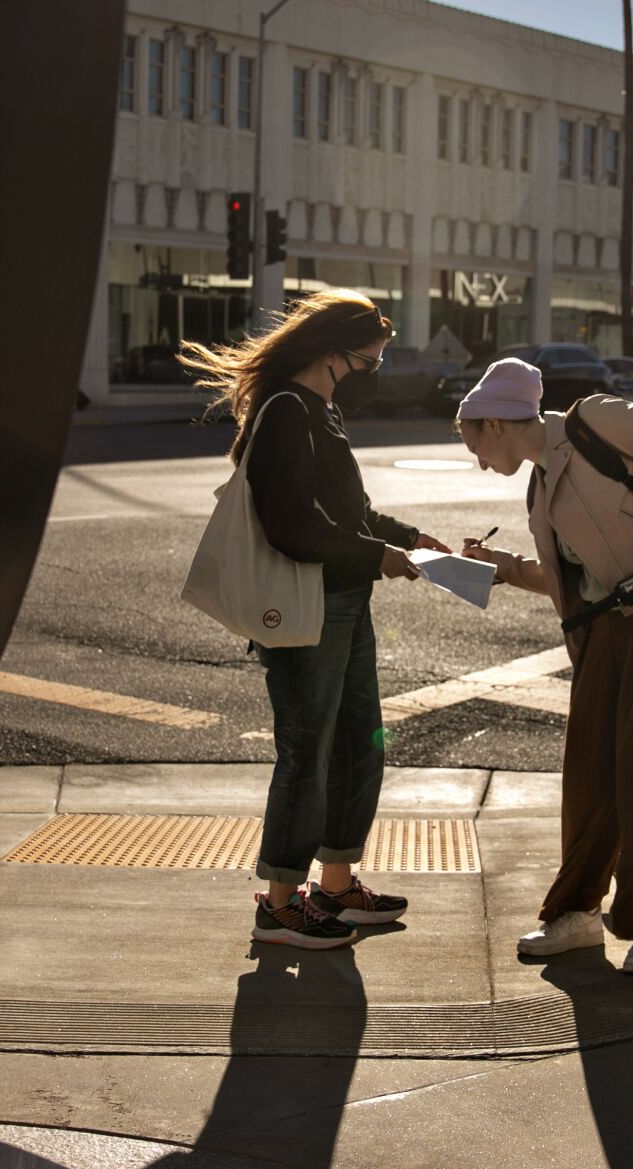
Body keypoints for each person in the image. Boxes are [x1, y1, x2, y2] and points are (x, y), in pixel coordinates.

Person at [179, 291, 449, 949]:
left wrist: (415, 540)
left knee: (362, 742)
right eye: (365, 364)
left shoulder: (319, 412)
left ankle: (336, 884)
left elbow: (348, 512)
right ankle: (278, 903)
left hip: (345, 601)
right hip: (307, 607)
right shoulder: (286, 414)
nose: (370, 376)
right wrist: (376, 554)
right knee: (308, 751)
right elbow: (293, 525)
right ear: (330, 356)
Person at [456, 359, 633, 975]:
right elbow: (570, 579)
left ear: (495, 424)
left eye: (473, 443)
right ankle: (576, 914)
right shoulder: (540, 487)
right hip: (604, 631)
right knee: (590, 774)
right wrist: (502, 567)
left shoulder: (594, 420)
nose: (477, 459)